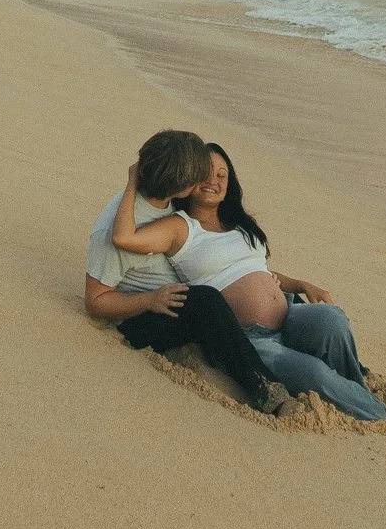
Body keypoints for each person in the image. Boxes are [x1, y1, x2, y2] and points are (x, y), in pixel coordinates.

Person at [112, 142, 386, 428]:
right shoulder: (179, 227)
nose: (213, 181)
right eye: (204, 173)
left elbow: (257, 271)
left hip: (290, 314)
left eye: (222, 174)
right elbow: (123, 238)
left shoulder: (240, 225)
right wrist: (132, 181)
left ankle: (358, 387)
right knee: (314, 373)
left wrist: (302, 284)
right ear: (188, 179)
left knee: (332, 318)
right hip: (250, 337)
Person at [84, 129, 288, 414]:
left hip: (177, 297)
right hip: (142, 317)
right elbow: (94, 301)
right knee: (206, 301)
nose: (207, 180)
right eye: (199, 174)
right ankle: (266, 389)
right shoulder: (114, 228)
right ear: (182, 187)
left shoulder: (166, 203)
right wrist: (150, 300)